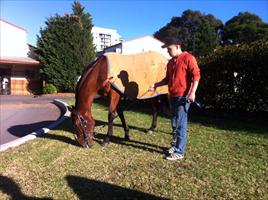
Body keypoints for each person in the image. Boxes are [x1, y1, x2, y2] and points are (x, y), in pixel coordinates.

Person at [149, 37, 200, 160]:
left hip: (183, 97)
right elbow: (167, 79)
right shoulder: (171, 62)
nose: (167, 51)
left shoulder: (188, 58)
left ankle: (179, 151)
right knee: (174, 123)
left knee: (181, 124)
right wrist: (156, 85)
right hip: (172, 96)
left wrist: (192, 92)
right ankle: (175, 145)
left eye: (169, 48)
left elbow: (196, 76)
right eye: (166, 49)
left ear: (177, 46)